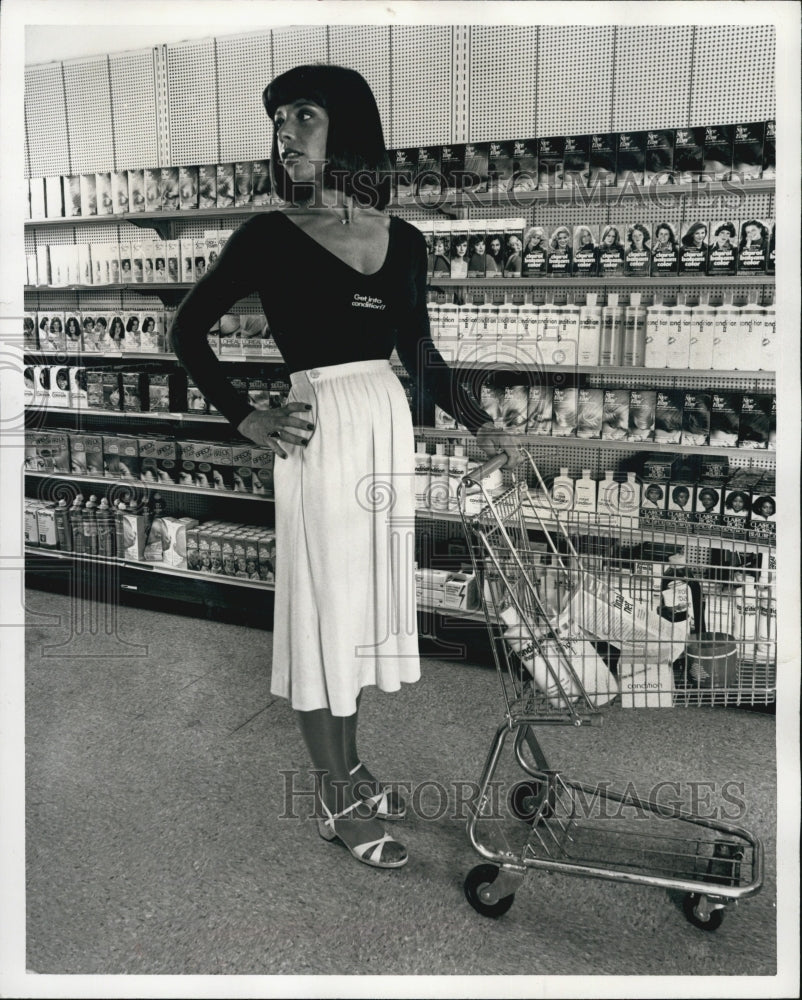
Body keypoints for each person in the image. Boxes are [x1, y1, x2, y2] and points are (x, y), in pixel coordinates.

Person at [168, 64, 519, 872]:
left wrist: (479, 424)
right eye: (278, 118)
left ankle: (351, 766)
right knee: (326, 613)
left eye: (302, 114)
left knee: (356, 613)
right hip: (319, 433)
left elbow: (418, 354)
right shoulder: (266, 235)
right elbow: (186, 334)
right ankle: (334, 795)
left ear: (348, 129)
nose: (284, 130)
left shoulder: (404, 240)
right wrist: (245, 415)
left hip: (383, 427)